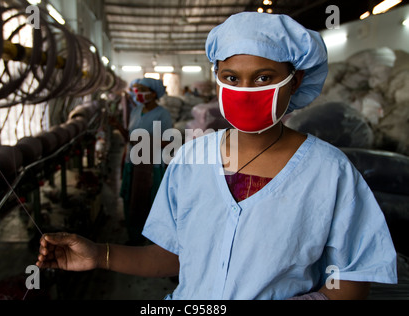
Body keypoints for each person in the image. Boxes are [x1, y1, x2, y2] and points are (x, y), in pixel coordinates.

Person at [37, 12, 397, 300]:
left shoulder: (329, 172)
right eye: (231, 77)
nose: (244, 91)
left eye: (262, 78)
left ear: (296, 80)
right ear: (218, 81)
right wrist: (100, 255)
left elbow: (352, 276)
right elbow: (175, 257)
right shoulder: (190, 160)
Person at [109, 77, 173, 245]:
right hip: (133, 162)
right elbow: (130, 138)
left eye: (142, 90)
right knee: (130, 198)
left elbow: (168, 141)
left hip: (151, 165)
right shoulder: (136, 111)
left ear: (153, 93)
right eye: (136, 90)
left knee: (150, 201)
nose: (138, 94)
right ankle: (135, 237)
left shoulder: (162, 114)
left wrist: (146, 140)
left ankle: (153, 242)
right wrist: (118, 126)